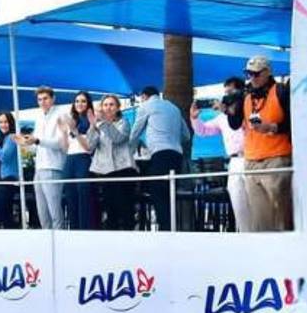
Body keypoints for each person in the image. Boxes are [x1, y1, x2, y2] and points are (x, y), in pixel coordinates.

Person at [226, 56, 294, 232]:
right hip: (251, 161)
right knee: (260, 219)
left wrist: (272, 127)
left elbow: (294, 123)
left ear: (267, 72)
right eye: (249, 74)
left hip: (277, 159)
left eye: (256, 74)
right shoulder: (246, 95)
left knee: (281, 215)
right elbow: (234, 124)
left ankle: (287, 246)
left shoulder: (281, 91)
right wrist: (229, 109)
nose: (252, 78)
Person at [192, 77, 249, 232]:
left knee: (256, 203)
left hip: (252, 157)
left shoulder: (248, 107)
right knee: (238, 201)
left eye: (231, 91)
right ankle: (244, 234)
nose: (228, 95)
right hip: (235, 160)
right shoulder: (222, 117)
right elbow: (203, 131)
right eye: (226, 92)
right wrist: (195, 118)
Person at [131, 85, 191, 231]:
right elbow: (186, 136)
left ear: (144, 96)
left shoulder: (146, 106)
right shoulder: (174, 108)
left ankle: (165, 231)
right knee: (170, 193)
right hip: (176, 155)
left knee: (158, 193)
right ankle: (173, 228)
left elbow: (135, 132)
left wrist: (129, 152)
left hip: (159, 154)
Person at [15, 86, 68, 229]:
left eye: (45, 98)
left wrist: (37, 141)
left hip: (53, 166)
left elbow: (60, 143)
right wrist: (24, 144)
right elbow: (36, 146)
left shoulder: (61, 115)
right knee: (42, 212)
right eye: (39, 99)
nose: (42, 102)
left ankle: (59, 238)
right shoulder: (39, 117)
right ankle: (47, 239)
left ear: (53, 99)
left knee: (54, 210)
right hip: (39, 168)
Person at [90, 94, 137, 231]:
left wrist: (104, 123)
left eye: (111, 104)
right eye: (105, 105)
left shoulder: (124, 123)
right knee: (110, 209)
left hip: (123, 169)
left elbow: (118, 138)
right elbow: (90, 146)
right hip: (106, 172)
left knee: (125, 208)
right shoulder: (99, 125)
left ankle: (130, 236)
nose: (108, 108)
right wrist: (93, 127)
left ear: (118, 107)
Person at [62, 91, 98, 230]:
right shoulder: (72, 121)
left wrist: (75, 131)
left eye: (83, 101)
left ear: (88, 104)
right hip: (70, 160)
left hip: (83, 159)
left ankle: (86, 229)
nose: (79, 104)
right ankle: (74, 229)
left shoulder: (91, 121)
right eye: (77, 101)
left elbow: (89, 147)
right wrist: (63, 131)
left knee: (84, 196)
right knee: (70, 195)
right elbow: (65, 148)